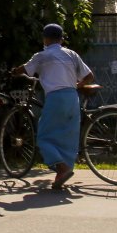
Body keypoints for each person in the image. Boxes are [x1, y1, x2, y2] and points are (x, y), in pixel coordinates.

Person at [15, 23, 95, 190]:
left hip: (55, 98)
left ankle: (62, 168)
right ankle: (62, 172)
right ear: (61, 39)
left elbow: (24, 69)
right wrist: (77, 84)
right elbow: (89, 76)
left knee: (44, 136)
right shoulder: (71, 54)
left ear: (45, 38)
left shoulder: (42, 56)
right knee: (68, 136)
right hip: (72, 98)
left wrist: (13, 71)